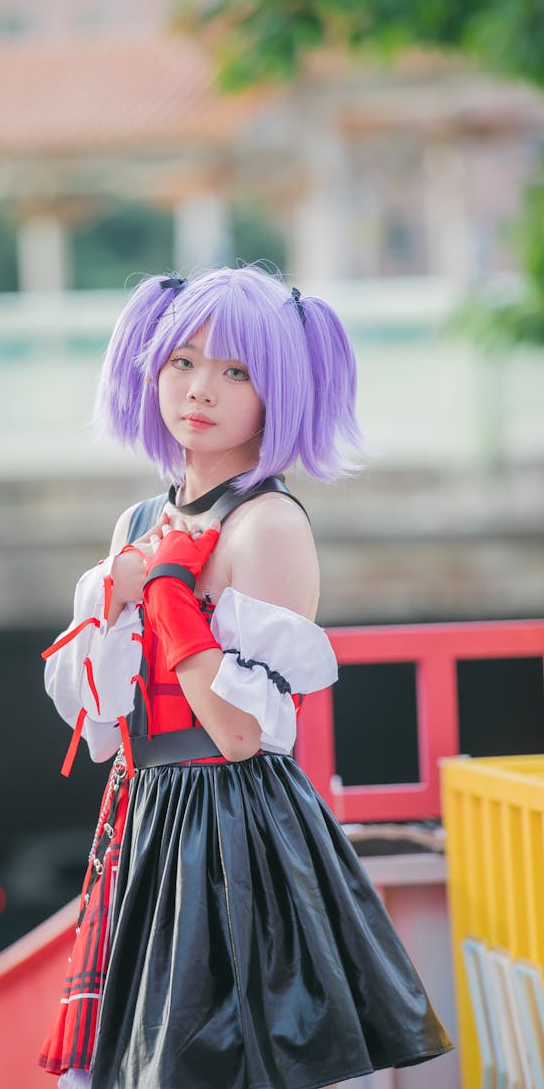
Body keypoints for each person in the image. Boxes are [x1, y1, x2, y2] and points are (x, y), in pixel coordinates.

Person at [38, 265, 452, 1089]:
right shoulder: (140, 519)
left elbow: (239, 732)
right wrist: (135, 590)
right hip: (144, 811)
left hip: (233, 830)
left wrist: (163, 595)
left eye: (237, 372)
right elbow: (103, 717)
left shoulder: (270, 525)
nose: (201, 390)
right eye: (182, 361)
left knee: (230, 1062)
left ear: (278, 394)